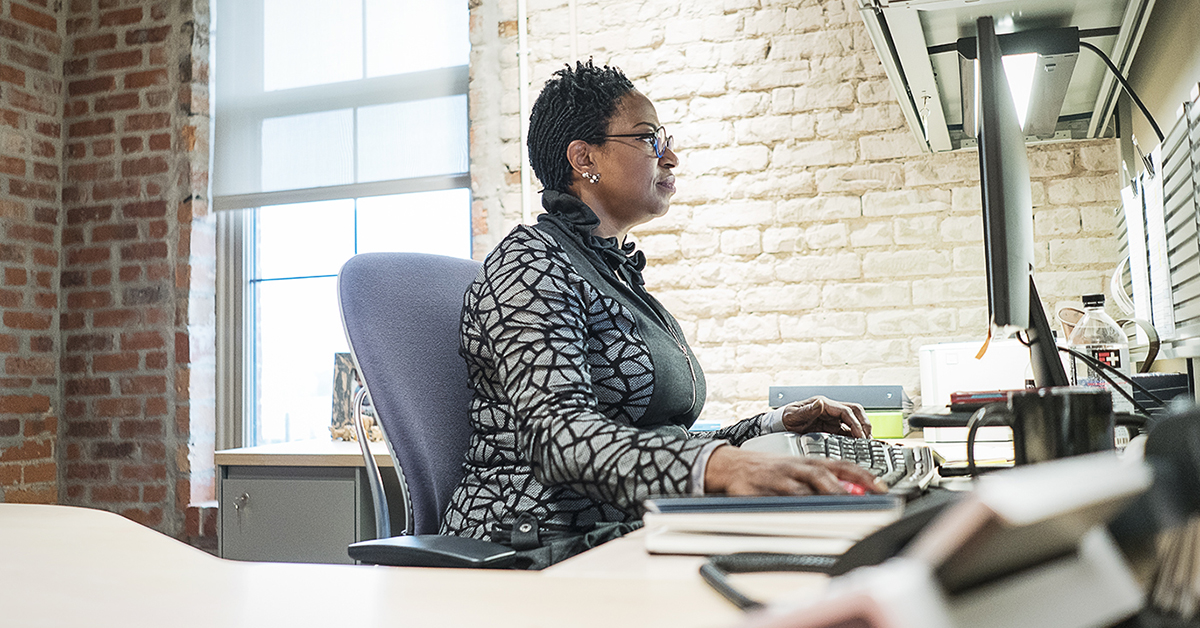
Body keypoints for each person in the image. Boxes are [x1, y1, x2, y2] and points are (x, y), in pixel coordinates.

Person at [440, 60, 883, 568]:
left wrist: (773, 426)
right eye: (650, 139)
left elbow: (658, 441)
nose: (670, 156)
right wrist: (720, 467)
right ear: (584, 157)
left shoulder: (609, 271)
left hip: (619, 532)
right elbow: (560, 441)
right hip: (534, 548)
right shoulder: (529, 266)